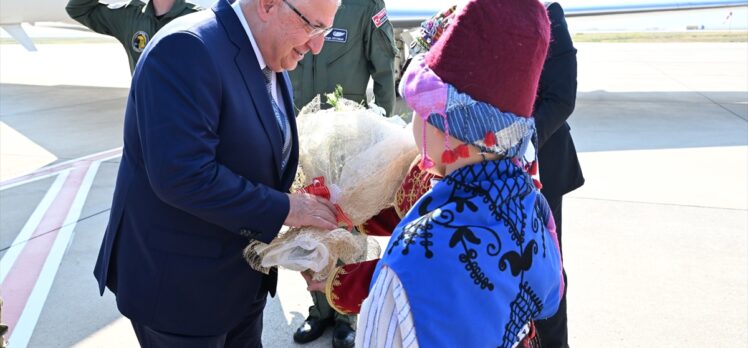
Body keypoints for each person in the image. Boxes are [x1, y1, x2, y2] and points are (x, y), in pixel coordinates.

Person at [305, 0, 565, 346]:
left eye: (416, 106)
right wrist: (348, 210)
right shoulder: (532, 205)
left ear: (443, 129)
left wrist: (336, 280)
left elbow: (392, 308)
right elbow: (549, 293)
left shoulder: (420, 247)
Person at [92, 0, 341, 346]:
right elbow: (183, 176)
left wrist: (301, 245)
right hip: (181, 295)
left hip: (240, 285)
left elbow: (260, 161)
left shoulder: (269, 55)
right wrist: (289, 209)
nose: (317, 46)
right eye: (312, 27)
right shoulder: (187, 48)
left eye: (325, 30)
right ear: (268, 5)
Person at [287, 0, 395, 346]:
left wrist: (377, 136)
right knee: (309, 222)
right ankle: (319, 310)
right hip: (303, 131)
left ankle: (347, 314)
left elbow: (384, 68)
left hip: (349, 135)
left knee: (348, 223)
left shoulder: (364, 5)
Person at [533, 3, 585, 347]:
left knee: (545, 264)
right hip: (487, 159)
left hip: (542, 160)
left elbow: (562, 97)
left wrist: (519, 142)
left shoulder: (547, 10)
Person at [288, 0, 397, 117]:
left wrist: (379, 124)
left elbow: (384, 69)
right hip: (291, 125)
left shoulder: (366, 6)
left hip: (346, 127)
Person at [66, 0, 202, 73]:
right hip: (143, 112)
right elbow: (78, 9)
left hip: (184, 113)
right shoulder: (129, 16)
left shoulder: (198, 19)